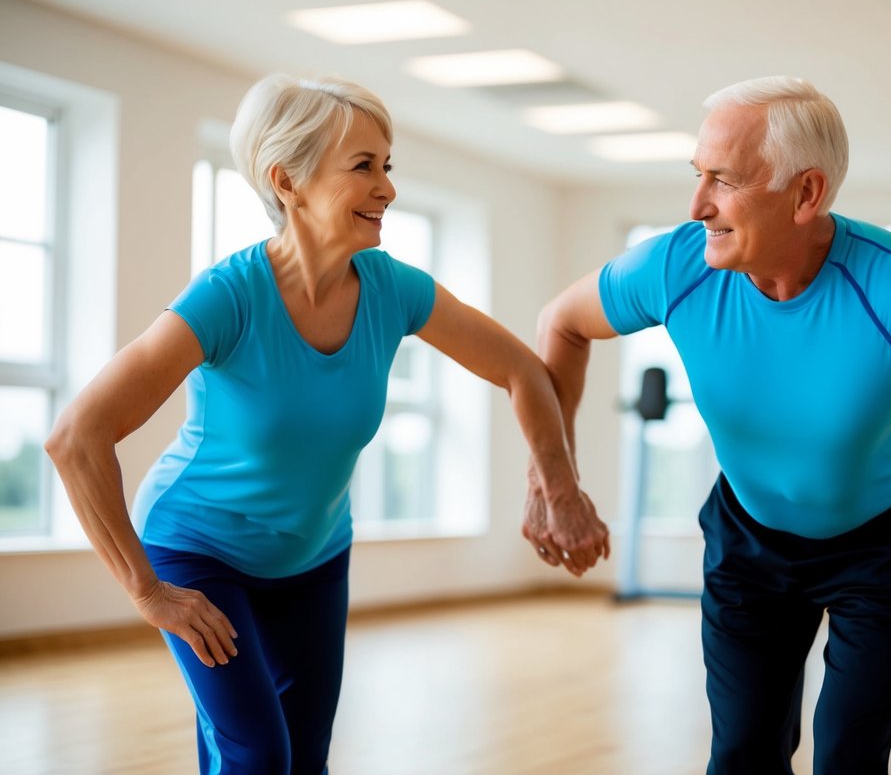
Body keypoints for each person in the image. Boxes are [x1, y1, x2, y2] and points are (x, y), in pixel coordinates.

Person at [534, 76, 891, 773]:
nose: (696, 207)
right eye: (696, 176)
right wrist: (555, 483)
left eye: (723, 181)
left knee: (849, 754)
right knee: (741, 755)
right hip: (746, 539)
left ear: (806, 194)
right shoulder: (676, 267)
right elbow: (560, 324)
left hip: (885, 547)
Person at [43, 74, 609, 774]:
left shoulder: (392, 288)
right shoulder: (227, 299)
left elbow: (524, 371)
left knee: (302, 756)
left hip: (313, 559)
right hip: (199, 551)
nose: (388, 189)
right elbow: (76, 438)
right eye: (363, 167)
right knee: (258, 753)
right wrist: (145, 589)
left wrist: (557, 486)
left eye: (387, 166)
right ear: (288, 181)